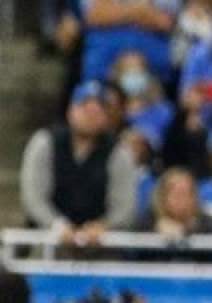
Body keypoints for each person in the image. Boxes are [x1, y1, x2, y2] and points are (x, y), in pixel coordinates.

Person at [20, 82, 138, 249]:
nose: (91, 115)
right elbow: (33, 197)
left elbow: (124, 206)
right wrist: (57, 226)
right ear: (71, 110)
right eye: (85, 108)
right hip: (46, 240)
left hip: (101, 245)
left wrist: (104, 226)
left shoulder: (119, 153)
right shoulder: (45, 143)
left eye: (98, 110)